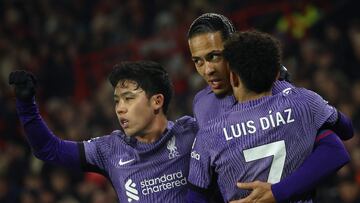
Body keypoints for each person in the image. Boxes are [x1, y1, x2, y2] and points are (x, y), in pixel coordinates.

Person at [186, 13, 353, 202]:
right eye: (198, 61)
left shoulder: (280, 91)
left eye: (214, 56)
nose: (207, 70)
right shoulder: (202, 103)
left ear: (233, 47)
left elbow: (332, 149)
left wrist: (278, 192)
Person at [9, 61, 198, 202]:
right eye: (117, 101)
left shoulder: (190, 134)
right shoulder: (110, 150)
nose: (120, 108)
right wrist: (26, 107)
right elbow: (48, 149)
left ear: (157, 101)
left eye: (128, 98)